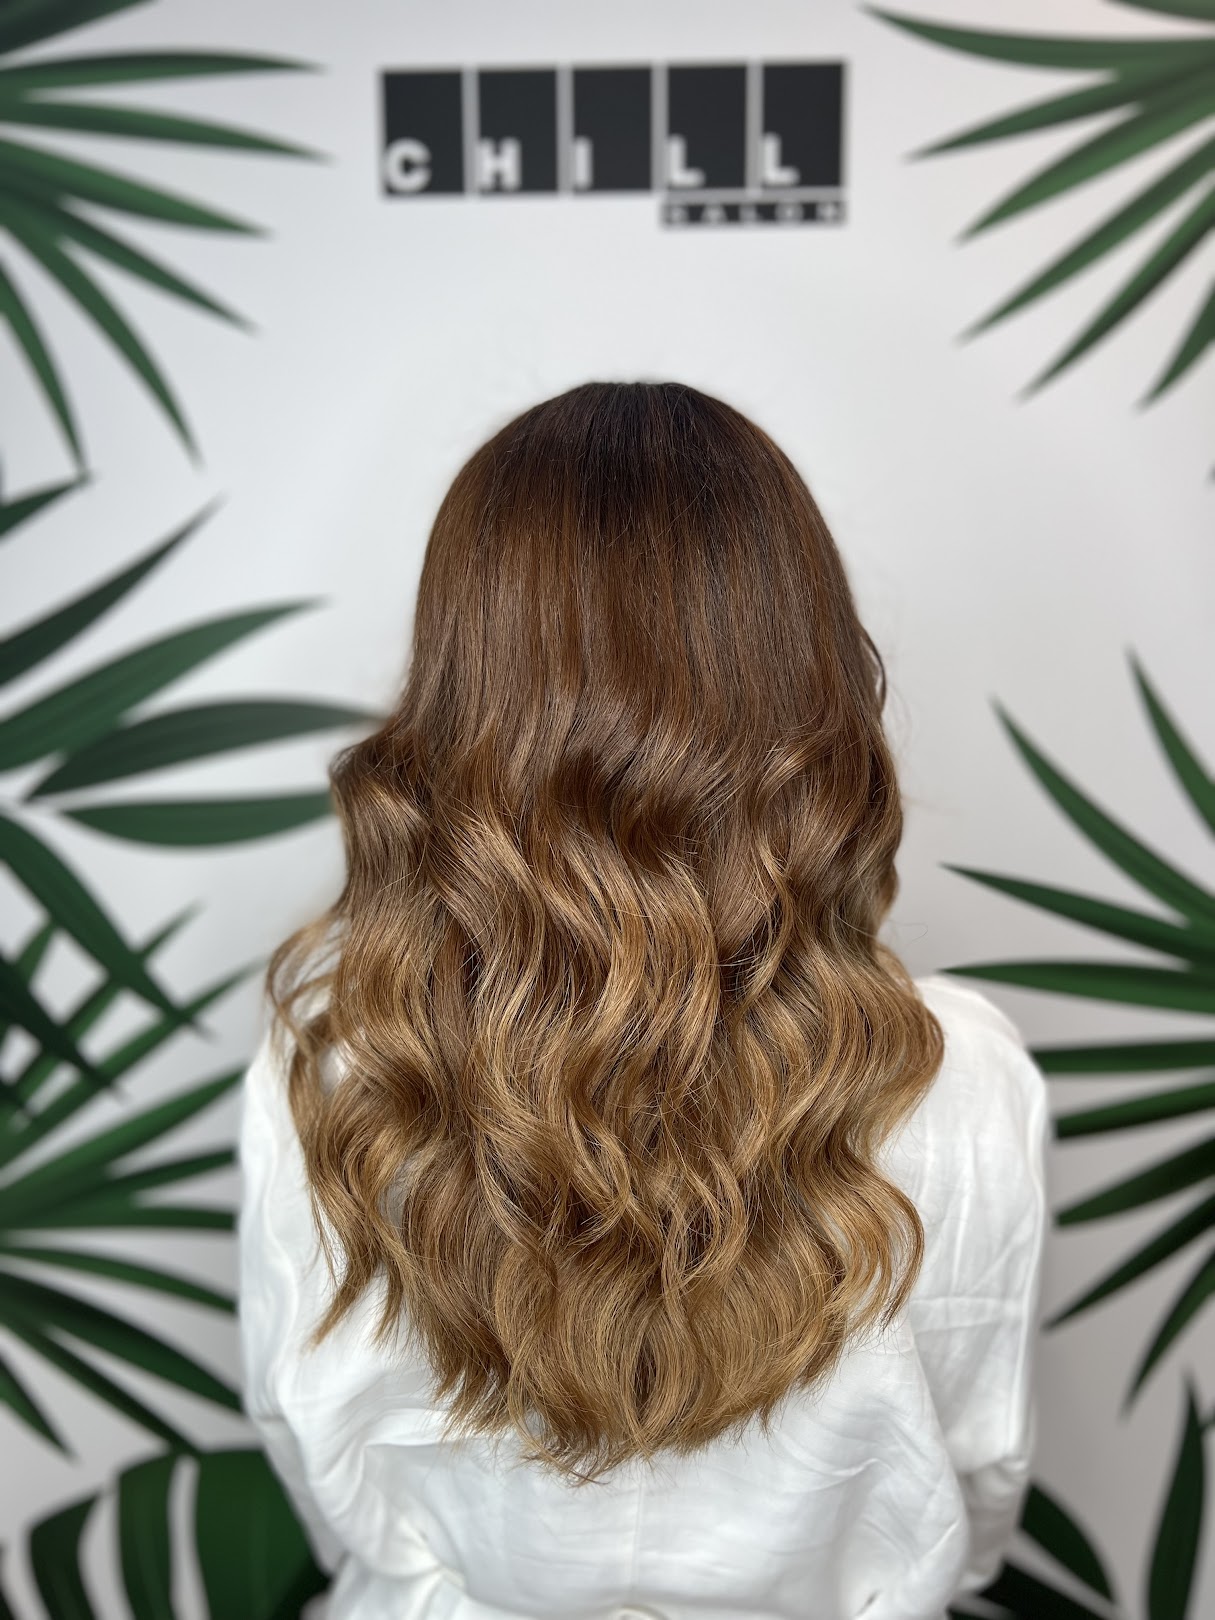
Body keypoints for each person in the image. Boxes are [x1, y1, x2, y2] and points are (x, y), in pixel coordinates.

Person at [236, 379, 1049, 1620]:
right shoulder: (962, 1074)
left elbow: (305, 1437)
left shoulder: (341, 1063)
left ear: (461, 685)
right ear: (806, 677)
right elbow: (981, 1475)